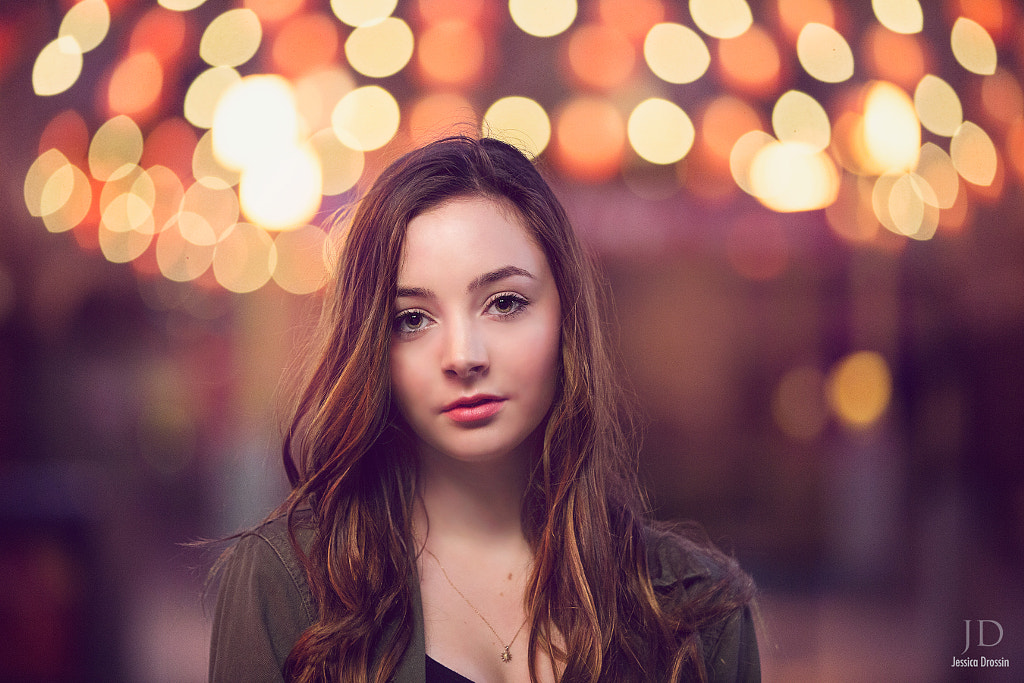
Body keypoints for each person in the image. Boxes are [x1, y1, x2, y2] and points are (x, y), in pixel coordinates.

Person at [208, 135, 760, 682]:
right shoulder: (286, 587)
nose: (463, 357)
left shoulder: (696, 611)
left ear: (566, 318)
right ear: (374, 345)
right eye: (412, 319)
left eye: (504, 303)